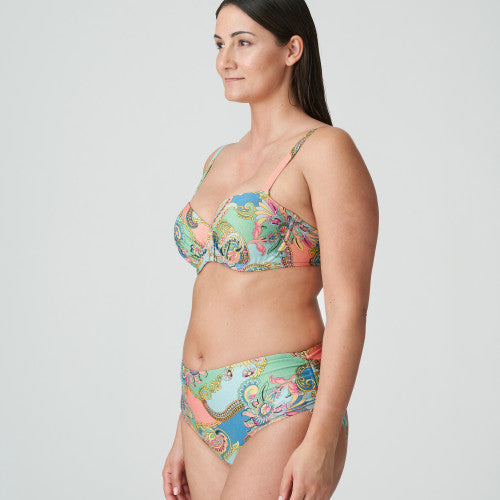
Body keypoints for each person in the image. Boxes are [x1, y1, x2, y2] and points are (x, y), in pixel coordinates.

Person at [162, 1, 378, 499]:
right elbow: (211, 295)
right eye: (219, 44)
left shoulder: (325, 150)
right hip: (199, 403)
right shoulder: (218, 159)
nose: (226, 60)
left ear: (291, 49)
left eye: (244, 42)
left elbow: (349, 308)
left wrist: (321, 440)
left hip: (284, 399)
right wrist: (182, 427)